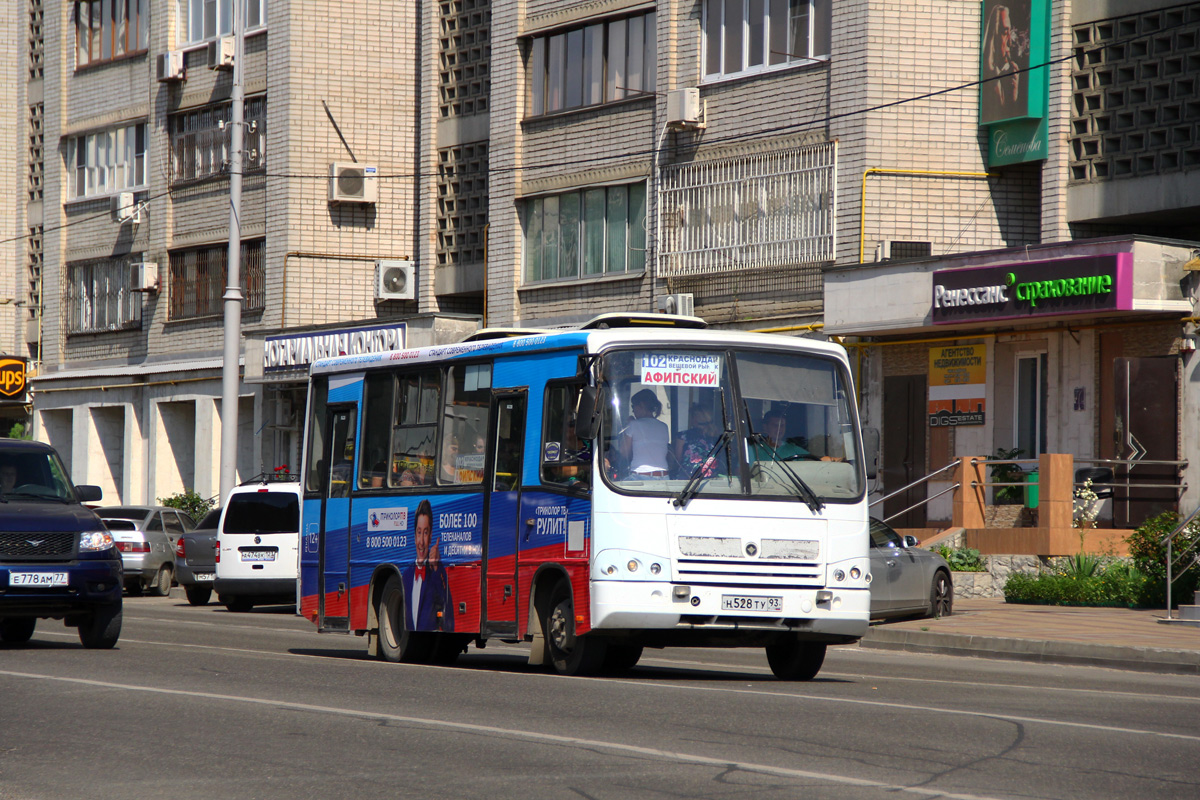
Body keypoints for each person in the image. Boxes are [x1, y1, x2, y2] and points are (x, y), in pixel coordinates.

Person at [401, 499, 454, 632]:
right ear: (414, 536)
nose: (421, 542)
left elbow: (449, 621)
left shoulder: (436, 571)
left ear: (430, 537)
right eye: (419, 532)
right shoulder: (406, 576)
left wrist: (436, 568)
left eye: (425, 532)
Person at [982, 3, 1021, 122]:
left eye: (1010, 32)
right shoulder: (988, 76)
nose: (1010, 41)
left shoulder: (1010, 73)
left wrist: (1013, 95)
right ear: (993, 37)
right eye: (1005, 33)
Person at [619, 388, 670, 479]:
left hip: (641, 475)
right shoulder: (664, 426)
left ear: (641, 405)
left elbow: (624, 452)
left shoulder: (633, 425)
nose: (633, 411)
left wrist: (628, 425)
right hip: (664, 476)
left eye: (633, 406)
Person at [673, 402, 722, 478]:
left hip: (687, 481)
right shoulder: (718, 437)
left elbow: (677, 460)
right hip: (711, 482)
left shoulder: (683, 436)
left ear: (695, 419)